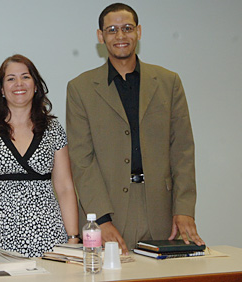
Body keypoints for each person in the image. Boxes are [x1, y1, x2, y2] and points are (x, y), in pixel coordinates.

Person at [66, 3, 205, 254]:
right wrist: (101, 220)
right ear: (101, 36)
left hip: (163, 212)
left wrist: (183, 209)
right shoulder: (80, 88)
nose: (120, 36)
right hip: (109, 210)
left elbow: (183, 149)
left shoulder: (168, 82)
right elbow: (81, 159)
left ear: (139, 32)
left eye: (127, 28)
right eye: (112, 30)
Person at [0, 54, 79, 259]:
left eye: (25, 77)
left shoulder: (54, 130)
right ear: (1, 89)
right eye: (10, 78)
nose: (19, 83)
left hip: (49, 242)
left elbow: (65, 187)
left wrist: (72, 239)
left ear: (36, 85)